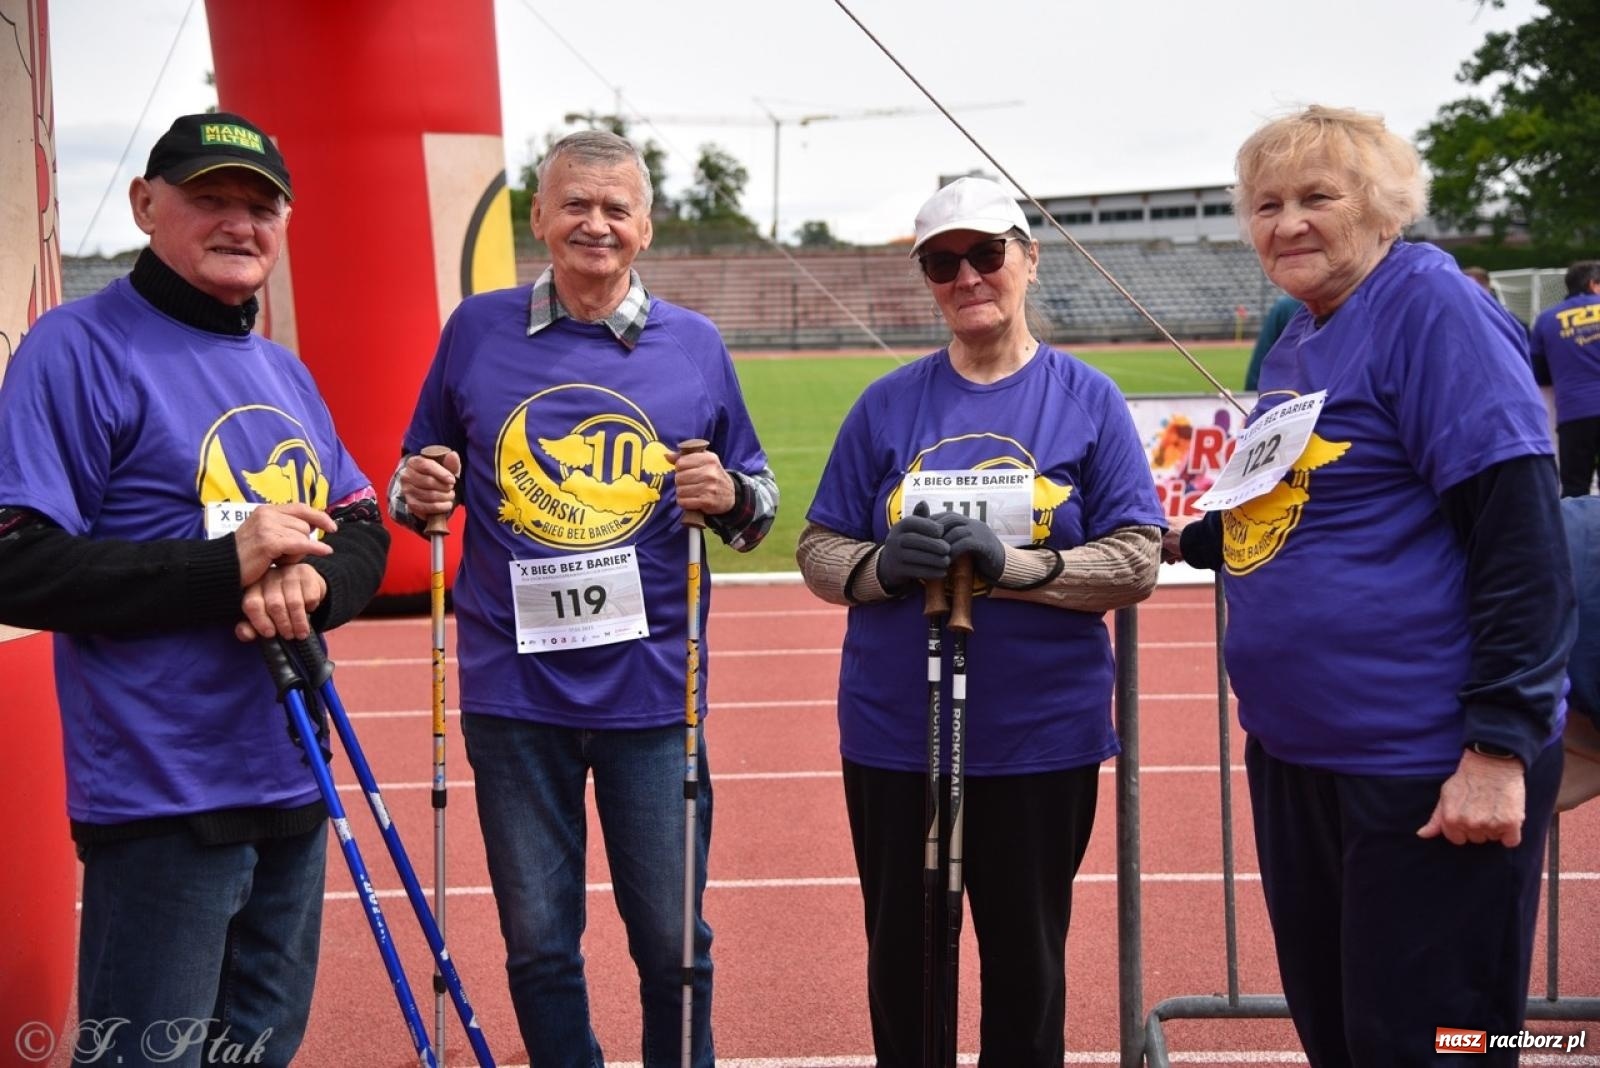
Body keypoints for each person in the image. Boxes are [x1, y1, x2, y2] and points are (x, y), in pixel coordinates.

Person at [1163, 106, 1573, 1066]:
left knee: (1437, 1045)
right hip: (1300, 757)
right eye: (1267, 205)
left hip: (1422, 768)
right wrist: (1185, 538)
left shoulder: (1432, 308)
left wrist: (1499, 747)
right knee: (1346, 1038)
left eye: (1318, 197)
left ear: (1386, 208)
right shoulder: (1303, 335)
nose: (1287, 223)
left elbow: (1519, 530)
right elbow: (1306, 503)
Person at [0, 112, 390, 1067]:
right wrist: (229, 568)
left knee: (260, 1052)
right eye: (210, 197)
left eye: (262, 206)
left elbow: (363, 526)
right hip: (162, 798)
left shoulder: (282, 370)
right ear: (145, 204)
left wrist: (311, 584)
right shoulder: (76, 347)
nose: (239, 223)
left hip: (295, 774)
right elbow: (18, 560)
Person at [392, 129, 776, 1068]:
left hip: (654, 696)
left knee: (673, 945)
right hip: (514, 696)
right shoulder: (474, 330)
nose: (594, 224)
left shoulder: (695, 345)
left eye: (615, 208)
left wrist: (729, 494)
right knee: (538, 947)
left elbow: (757, 505)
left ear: (645, 226)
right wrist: (418, 488)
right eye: (575, 204)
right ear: (539, 216)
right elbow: (414, 482)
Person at [796, 176, 1163, 1068]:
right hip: (897, 734)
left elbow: (1136, 558)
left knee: (1027, 969)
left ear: (1029, 260)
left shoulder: (1088, 399)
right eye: (942, 262)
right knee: (906, 967)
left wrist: (1020, 569)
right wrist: (880, 569)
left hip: (1038, 737)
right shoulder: (885, 404)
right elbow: (817, 548)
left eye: (987, 254)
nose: (967, 277)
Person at [1529, 261, 1600, 496]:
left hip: (1574, 412)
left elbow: (1539, 374)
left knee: (1575, 489)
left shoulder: (1546, 319)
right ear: (1593, 284)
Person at [1243, 293, 1301, 391]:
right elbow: (1262, 359)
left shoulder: (1286, 306)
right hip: (1291, 394)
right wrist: (1252, 394)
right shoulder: (1286, 307)